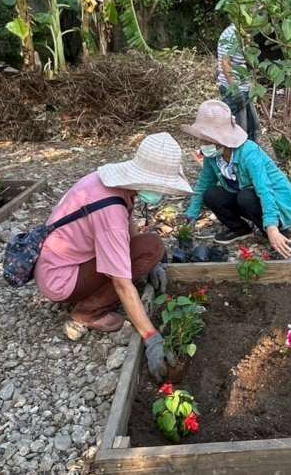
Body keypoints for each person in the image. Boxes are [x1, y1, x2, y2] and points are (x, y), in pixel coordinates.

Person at [34, 134, 192, 376]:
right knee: (148, 250)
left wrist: (148, 265)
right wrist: (151, 338)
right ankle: (86, 313)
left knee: (149, 249)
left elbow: (128, 227)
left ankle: (91, 299)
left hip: (59, 264)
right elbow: (120, 282)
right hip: (61, 279)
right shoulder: (109, 211)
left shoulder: (108, 184)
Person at [183, 100, 291, 255]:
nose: (201, 143)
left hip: (278, 202)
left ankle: (275, 230)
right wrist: (191, 216)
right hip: (246, 198)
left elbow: (265, 189)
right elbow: (203, 185)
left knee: (245, 196)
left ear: (219, 140)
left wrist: (271, 226)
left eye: (205, 139)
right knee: (211, 194)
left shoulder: (249, 153)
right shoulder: (213, 157)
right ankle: (240, 229)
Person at [216, 23, 259, 142]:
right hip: (233, 88)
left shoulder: (244, 34)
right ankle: (236, 159)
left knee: (253, 127)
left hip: (245, 88)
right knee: (239, 132)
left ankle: (249, 158)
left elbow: (246, 62)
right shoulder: (231, 34)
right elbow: (225, 64)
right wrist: (235, 90)